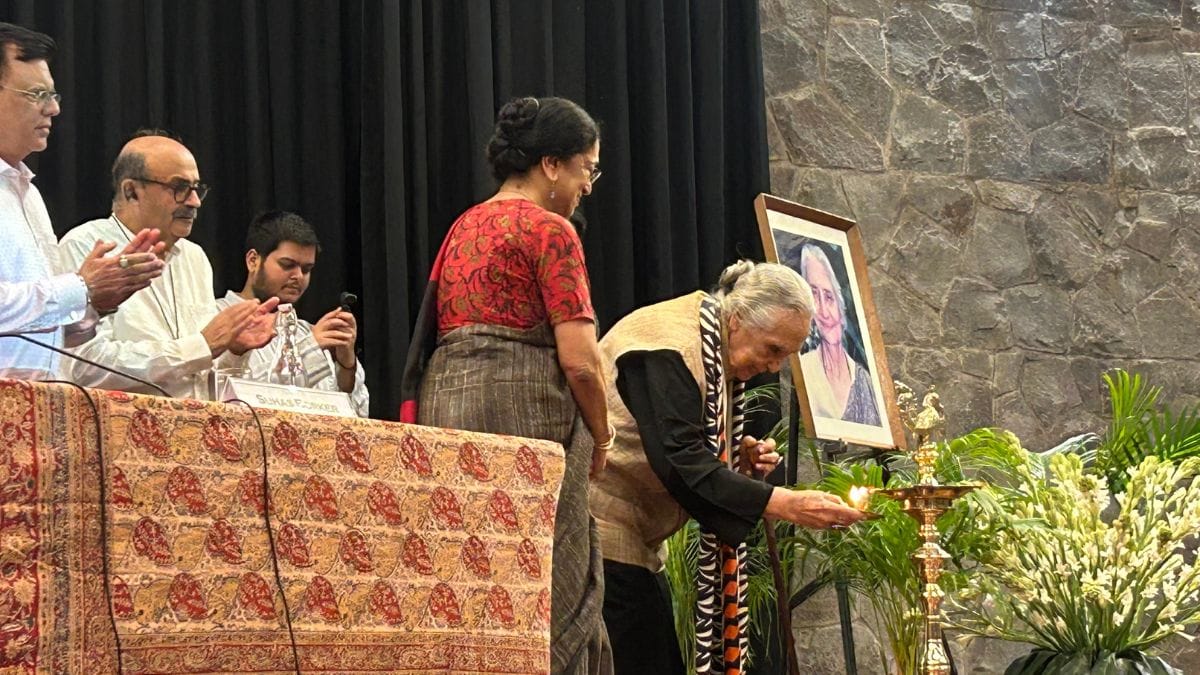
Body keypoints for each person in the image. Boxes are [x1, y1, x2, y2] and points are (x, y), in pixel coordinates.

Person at [401, 96, 612, 674]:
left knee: (469, 579)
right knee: (546, 582)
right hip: (526, 418)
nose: (587, 185)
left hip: (447, 411)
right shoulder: (551, 231)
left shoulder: (463, 226)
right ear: (551, 164)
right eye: (586, 169)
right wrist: (603, 431)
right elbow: (581, 362)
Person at [590, 260, 868, 675]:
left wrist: (735, 460)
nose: (774, 367)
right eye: (773, 349)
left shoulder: (712, 344)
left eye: (786, 357)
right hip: (599, 530)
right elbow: (680, 463)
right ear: (737, 319)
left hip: (635, 541)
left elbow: (684, 450)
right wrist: (783, 503)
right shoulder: (667, 343)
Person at [0, 22, 165, 379]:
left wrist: (95, 305)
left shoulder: (29, 196)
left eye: (54, 96)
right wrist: (80, 287)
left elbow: (44, 335)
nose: (53, 110)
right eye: (36, 95)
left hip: (40, 411)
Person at [59, 131, 278, 398]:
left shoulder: (194, 257)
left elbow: (199, 375)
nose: (194, 201)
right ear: (132, 191)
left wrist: (234, 350)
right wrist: (201, 345)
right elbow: (85, 366)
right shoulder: (87, 246)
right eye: (179, 188)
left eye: (197, 189)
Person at [216, 210, 368, 416]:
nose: (298, 276)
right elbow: (225, 400)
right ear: (253, 260)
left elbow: (357, 417)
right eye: (287, 265)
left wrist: (346, 366)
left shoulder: (309, 332)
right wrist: (309, 349)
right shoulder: (214, 316)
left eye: (307, 269)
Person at [797, 243, 880, 425]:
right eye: (814, 296)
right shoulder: (804, 370)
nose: (824, 312)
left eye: (829, 296)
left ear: (843, 304)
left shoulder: (865, 380)